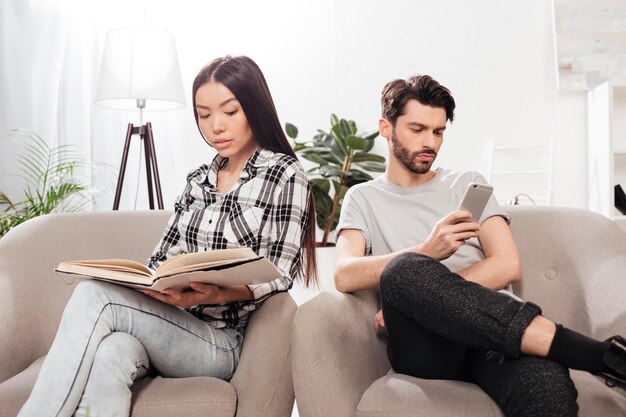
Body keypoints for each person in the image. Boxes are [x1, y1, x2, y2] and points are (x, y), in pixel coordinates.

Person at [18, 55, 317, 417]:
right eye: (204, 115)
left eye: (230, 111)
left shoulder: (284, 174)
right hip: (173, 324)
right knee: (113, 350)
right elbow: (160, 259)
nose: (215, 126)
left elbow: (281, 274)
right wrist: (156, 283)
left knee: (92, 296)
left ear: (254, 107)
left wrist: (221, 292)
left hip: (222, 343)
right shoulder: (197, 180)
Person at [334, 74, 626, 417]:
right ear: (386, 128)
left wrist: (430, 295)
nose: (431, 142)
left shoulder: (470, 183)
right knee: (404, 270)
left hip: (494, 333)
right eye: (417, 129)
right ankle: (595, 354)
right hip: (427, 346)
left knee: (546, 385)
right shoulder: (362, 197)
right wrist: (426, 254)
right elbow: (344, 274)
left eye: (439, 131)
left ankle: (607, 359)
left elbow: (506, 264)